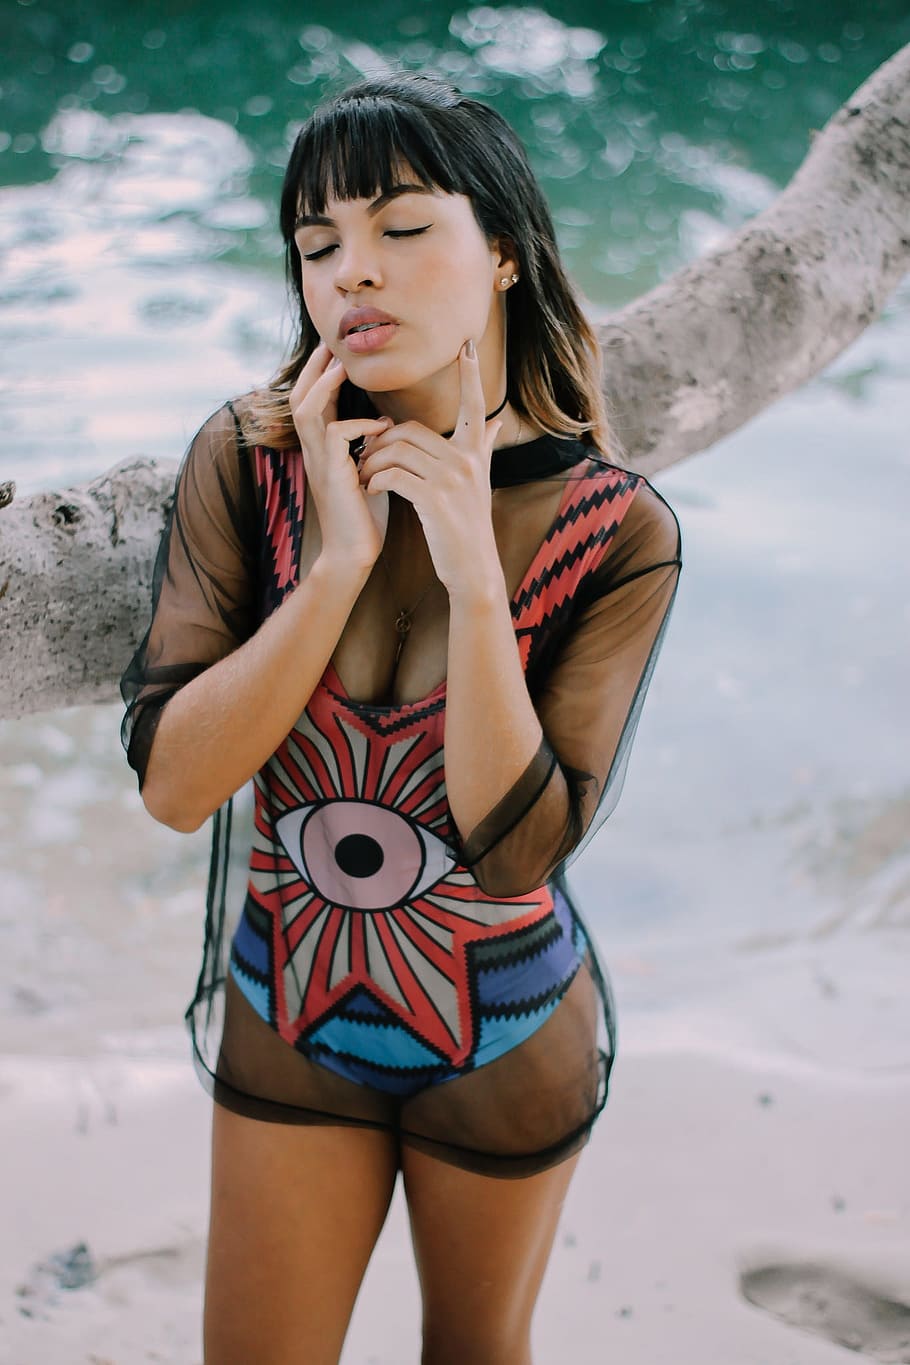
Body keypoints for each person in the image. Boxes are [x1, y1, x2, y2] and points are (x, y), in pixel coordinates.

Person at [120, 72, 681, 1365]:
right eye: (317, 248)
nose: (349, 275)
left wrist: (479, 582)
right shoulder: (250, 462)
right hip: (287, 1013)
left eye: (398, 228)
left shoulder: (617, 530)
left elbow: (516, 851)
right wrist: (330, 571)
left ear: (501, 254)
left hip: (508, 1032)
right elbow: (174, 785)